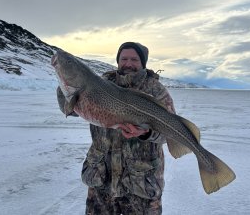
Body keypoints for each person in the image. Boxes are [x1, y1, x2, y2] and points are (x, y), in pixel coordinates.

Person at [57, 42, 176, 215]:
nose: (128, 63)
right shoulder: (100, 84)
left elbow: (169, 134)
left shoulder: (156, 91)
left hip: (141, 183)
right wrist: (63, 84)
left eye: (134, 59)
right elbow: (70, 110)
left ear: (143, 63)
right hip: (101, 178)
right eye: (124, 58)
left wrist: (146, 132)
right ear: (118, 61)